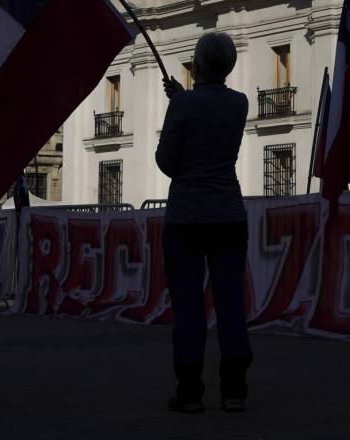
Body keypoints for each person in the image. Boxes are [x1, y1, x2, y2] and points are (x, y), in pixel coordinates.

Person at [155, 32, 252, 414]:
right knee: (231, 302)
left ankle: (190, 390)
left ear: (195, 65)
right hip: (229, 213)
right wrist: (183, 97)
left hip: (187, 217)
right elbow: (209, 109)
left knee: (189, 305)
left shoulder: (183, 107)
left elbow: (167, 162)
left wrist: (180, 102)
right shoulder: (240, 104)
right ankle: (235, 390)